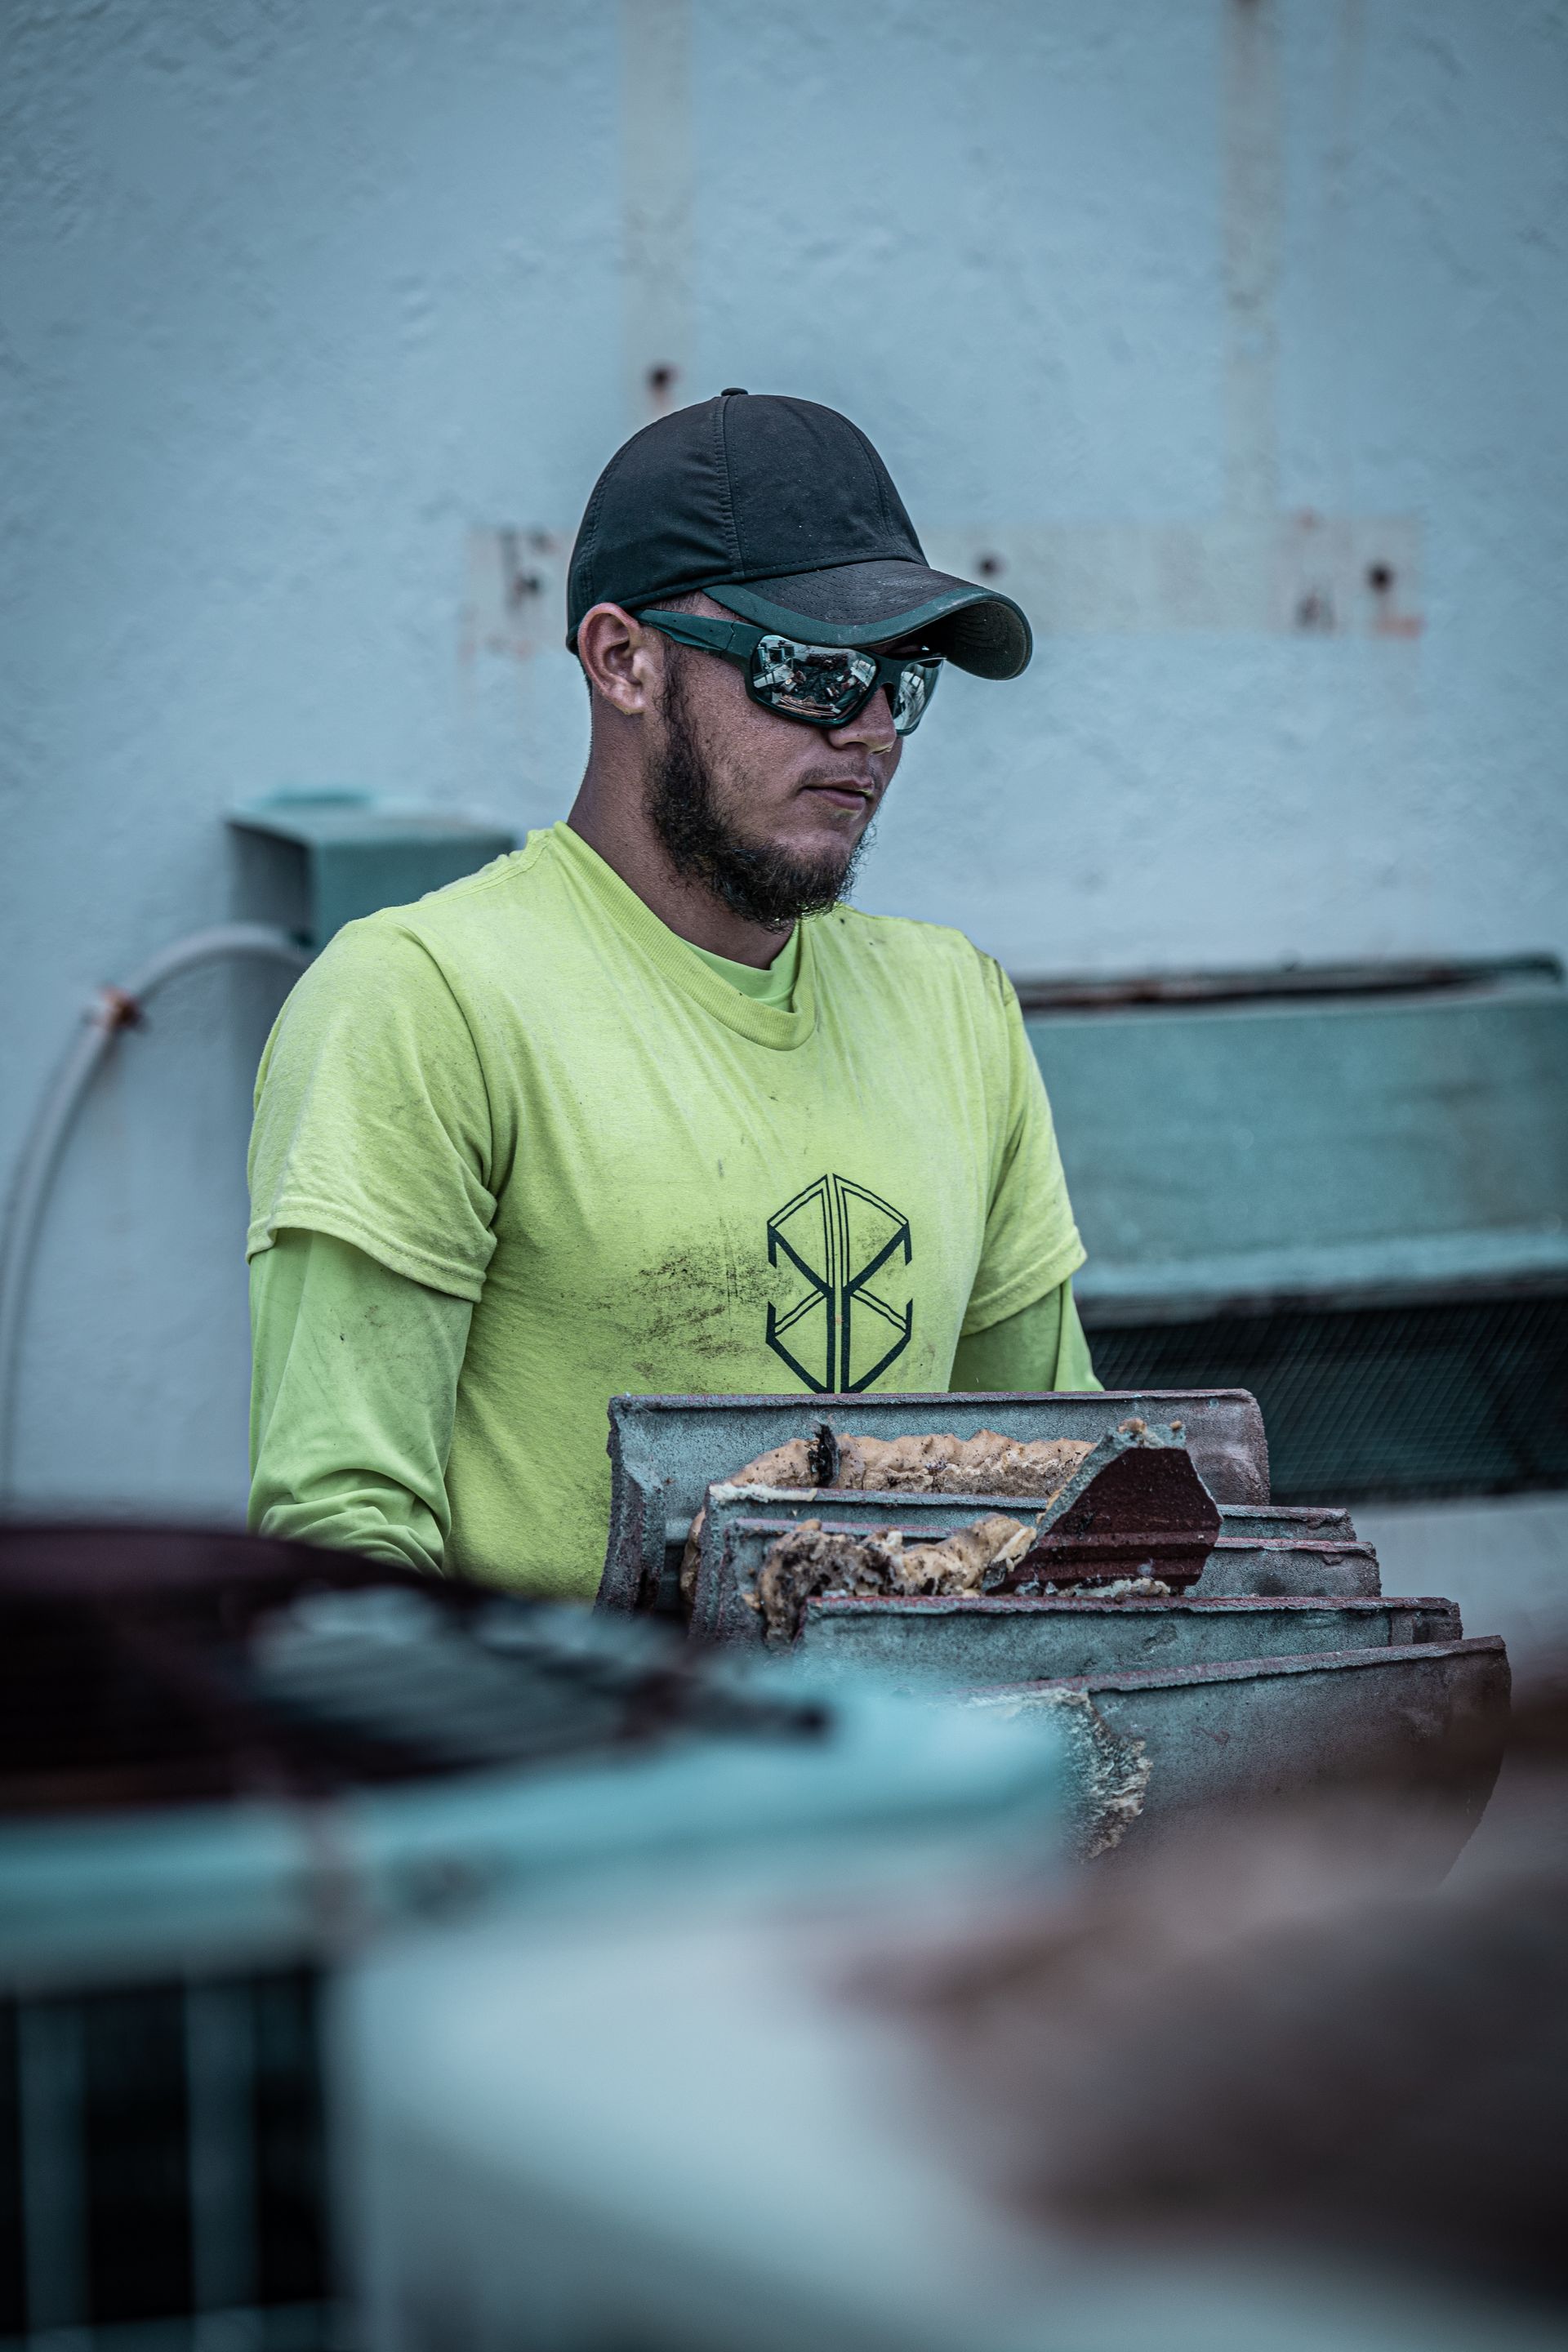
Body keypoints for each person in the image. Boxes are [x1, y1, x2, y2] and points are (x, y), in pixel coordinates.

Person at [247, 390, 1097, 1597]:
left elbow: (1053, 1486)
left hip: (904, 1774)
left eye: (899, 680)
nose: (869, 731)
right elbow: (341, 1542)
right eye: (807, 670)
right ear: (623, 661)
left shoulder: (956, 1006)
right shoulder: (425, 1001)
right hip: (575, 1772)